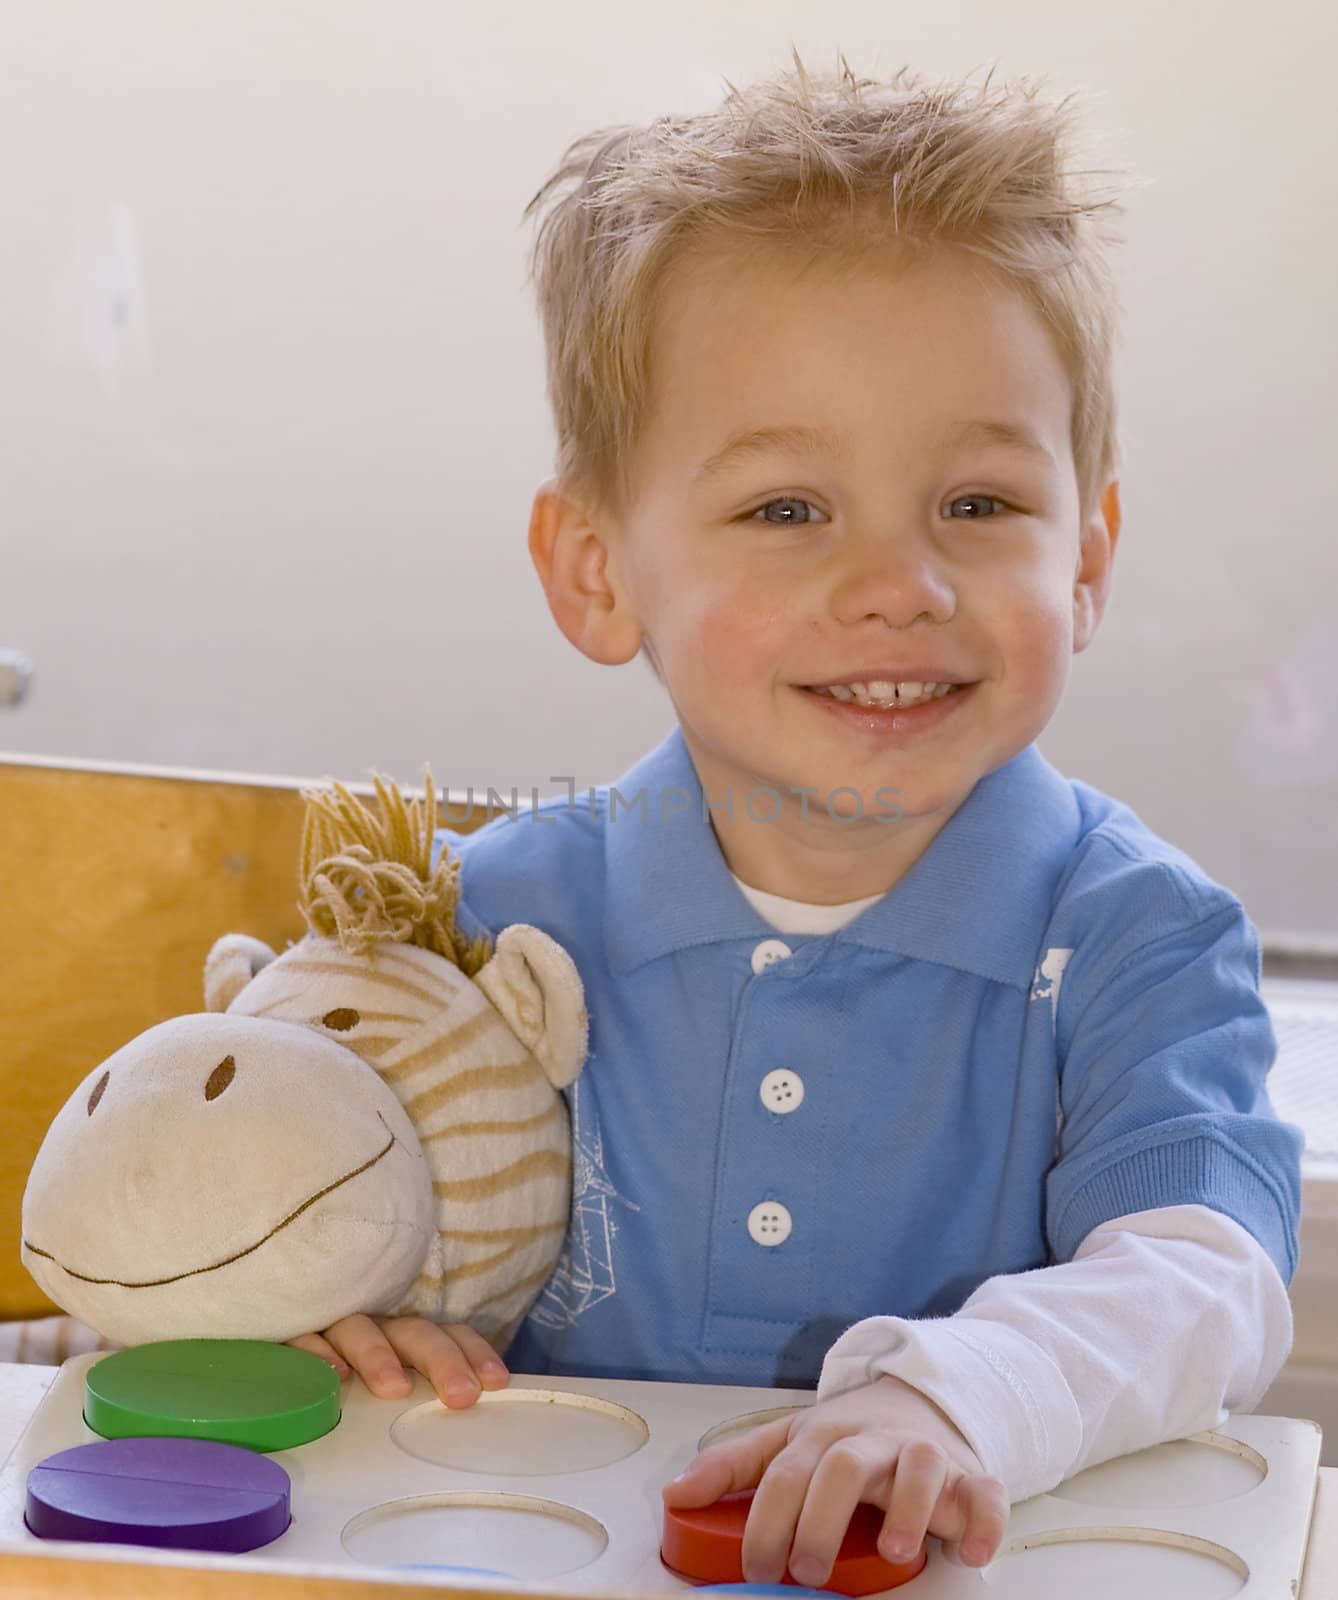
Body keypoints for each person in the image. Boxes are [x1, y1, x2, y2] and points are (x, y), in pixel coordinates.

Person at [288, 52, 1303, 1586]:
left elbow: (1206, 1280)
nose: (899, 582)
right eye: (786, 509)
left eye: (977, 504)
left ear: (1085, 556)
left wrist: (954, 1395)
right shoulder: (488, 922)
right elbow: (313, 1205)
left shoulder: (1135, 939)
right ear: (596, 573)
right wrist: (343, 1299)